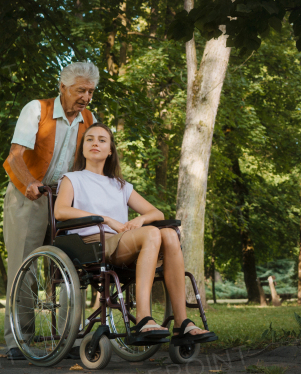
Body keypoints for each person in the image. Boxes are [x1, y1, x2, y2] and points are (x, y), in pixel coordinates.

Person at [55, 122, 216, 346]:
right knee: (152, 233)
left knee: (169, 234)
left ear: (110, 150)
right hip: (94, 244)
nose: (95, 143)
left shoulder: (120, 185)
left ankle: (182, 323)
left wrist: (139, 219)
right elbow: (60, 210)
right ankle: (143, 318)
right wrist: (108, 219)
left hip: (123, 243)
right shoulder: (72, 178)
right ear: (82, 148)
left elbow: (155, 212)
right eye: (89, 139)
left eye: (102, 140)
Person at [1, 62, 99, 360]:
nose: (85, 97)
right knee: (24, 264)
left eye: (90, 91)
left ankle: (69, 338)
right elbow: (15, 154)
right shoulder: (37, 110)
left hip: (65, 198)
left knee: (72, 266)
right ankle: (19, 339)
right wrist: (30, 182)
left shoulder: (89, 118)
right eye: (80, 90)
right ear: (62, 87)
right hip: (28, 194)